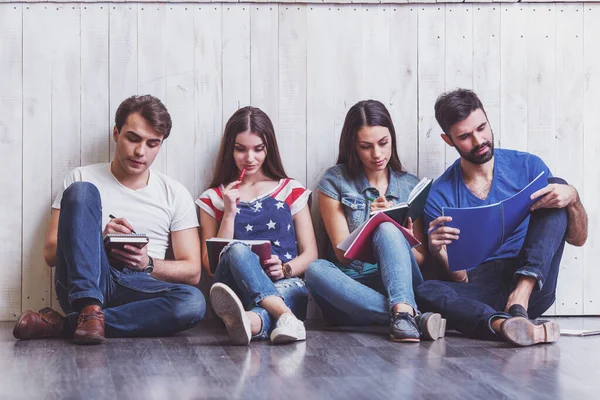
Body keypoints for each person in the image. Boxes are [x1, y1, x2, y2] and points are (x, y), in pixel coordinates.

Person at [13, 95, 206, 345]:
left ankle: (69, 324)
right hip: (86, 282)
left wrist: (147, 263)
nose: (140, 151)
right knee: (83, 190)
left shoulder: (174, 192)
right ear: (116, 133)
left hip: (138, 288)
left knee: (193, 302)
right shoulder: (81, 176)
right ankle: (89, 306)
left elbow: (192, 271)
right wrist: (98, 240)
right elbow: (51, 254)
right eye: (133, 138)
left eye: (152, 144)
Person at [416, 88, 588, 346]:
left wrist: (573, 198)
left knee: (558, 185)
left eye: (482, 127)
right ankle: (507, 325)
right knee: (425, 290)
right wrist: (440, 252)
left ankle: (519, 300)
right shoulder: (440, 195)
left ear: (487, 118)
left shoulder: (529, 167)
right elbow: (461, 279)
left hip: (532, 281)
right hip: (482, 287)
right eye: (464, 136)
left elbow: (578, 239)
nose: (478, 141)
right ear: (448, 140)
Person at [305, 100, 445, 342]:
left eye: (383, 143)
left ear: (392, 138)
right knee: (315, 269)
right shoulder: (335, 180)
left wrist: (400, 234)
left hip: (397, 283)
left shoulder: (410, 184)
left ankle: (403, 312)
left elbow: (421, 258)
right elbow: (341, 254)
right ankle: (410, 316)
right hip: (349, 291)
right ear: (353, 146)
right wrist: (371, 223)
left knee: (389, 230)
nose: (377, 154)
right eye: (366, 146)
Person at [197, 106, 317, 345]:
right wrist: (229, 213)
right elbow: (211, 266)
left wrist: (285, 269)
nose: (249, 158)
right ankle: (286, 315)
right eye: (241, 149)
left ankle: (250, 322)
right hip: (235, 288)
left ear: (268, 148)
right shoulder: (213, 198)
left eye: (258, 149)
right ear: (230, 149)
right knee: (236, 249)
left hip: (286, 282)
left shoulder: (291, 190)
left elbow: (311, 253)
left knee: (283, 294)